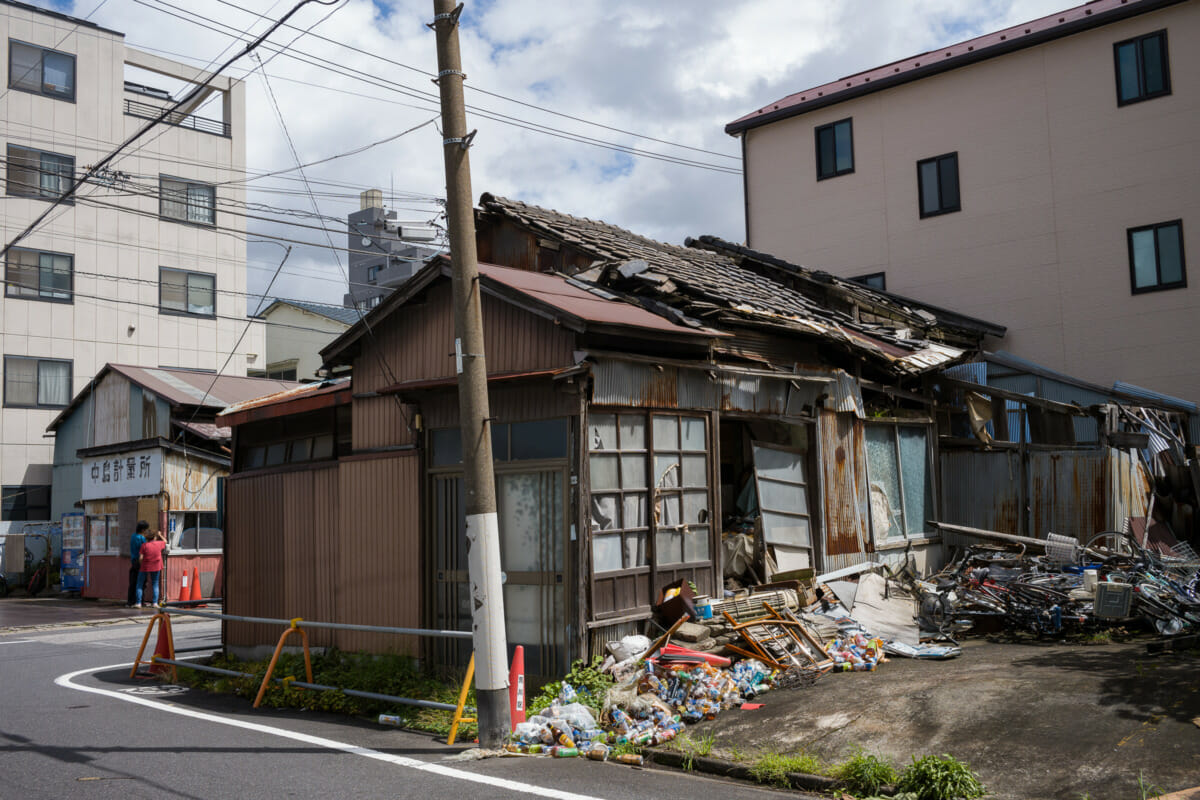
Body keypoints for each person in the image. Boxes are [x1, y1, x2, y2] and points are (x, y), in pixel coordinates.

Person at [135, 531, 168, 608]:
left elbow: (140, 558)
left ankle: (138, 603)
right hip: (156, 566)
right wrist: (160, 535)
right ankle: (155, 603)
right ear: (155, 537)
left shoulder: (144, 545)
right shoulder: (159, 544)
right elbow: (165, 541)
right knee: (155, 584)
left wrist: (141, 564)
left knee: (139, 584)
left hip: (145, 566)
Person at [126, 521, 149, 608]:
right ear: (143, 530)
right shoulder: (141, 538)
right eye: (146, 530)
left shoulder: (133, 536)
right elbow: (144, 550)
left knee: (133, 581)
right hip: (141, 561)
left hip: (134, 561)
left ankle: (130, 601)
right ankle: (140, 601)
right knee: (142, 583)